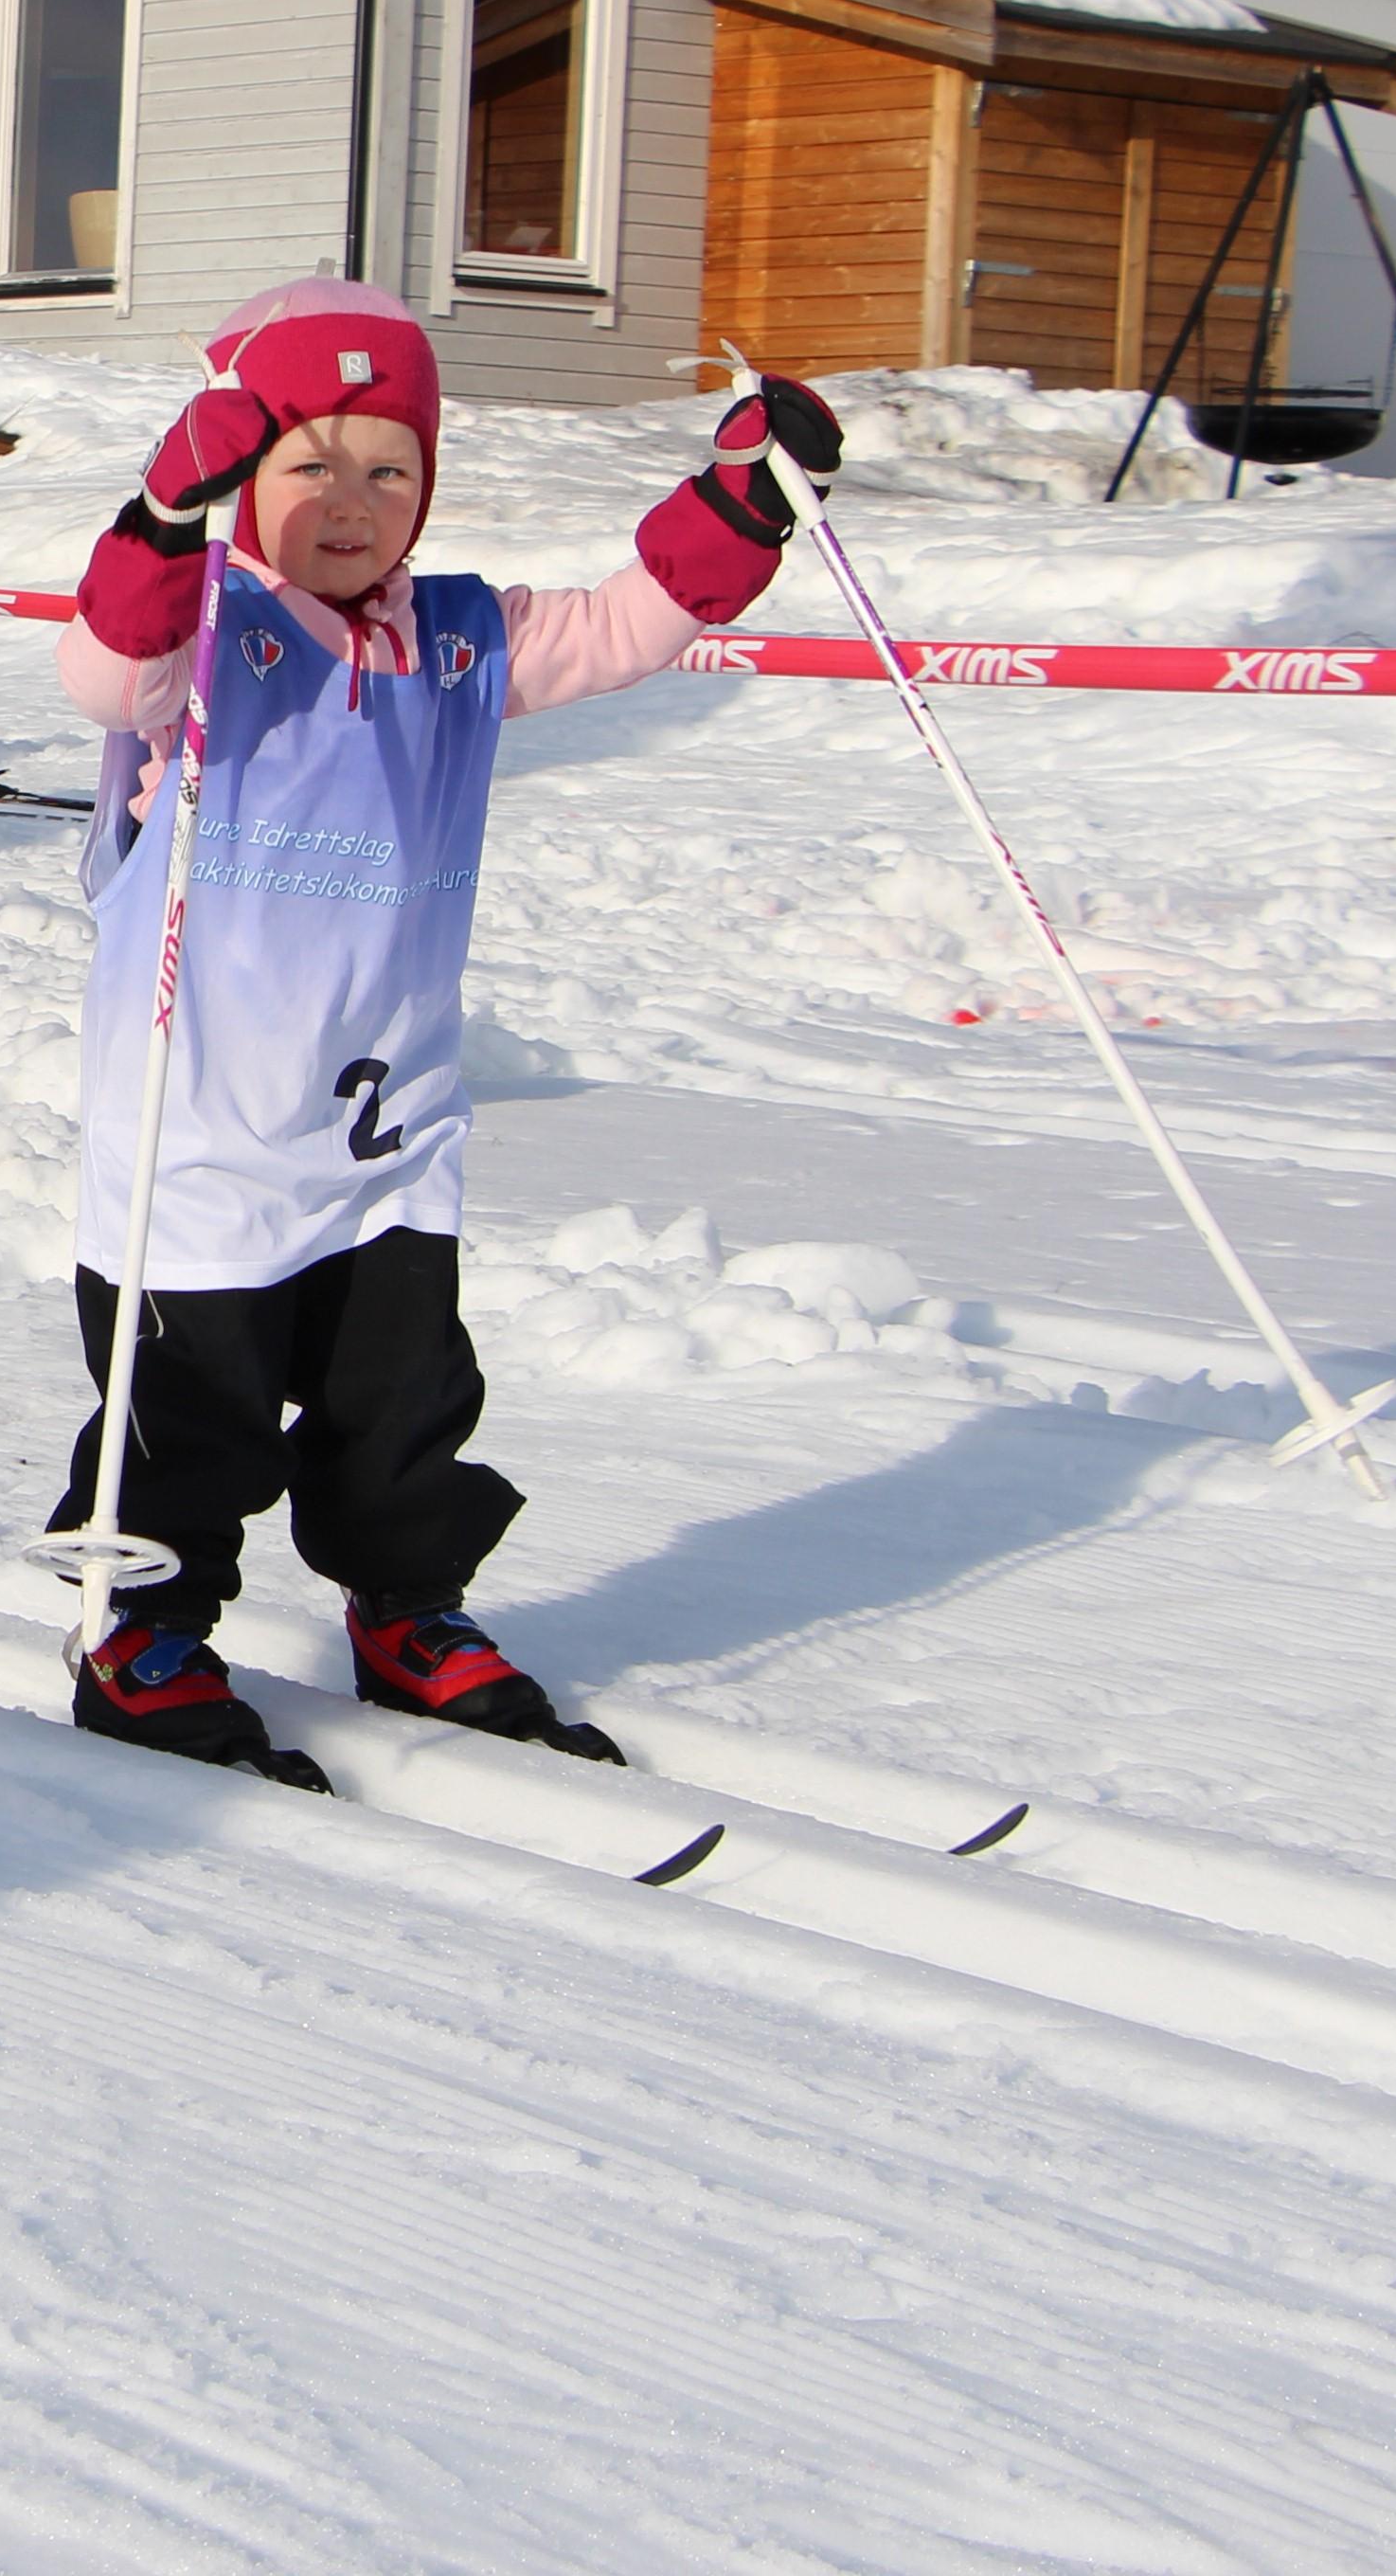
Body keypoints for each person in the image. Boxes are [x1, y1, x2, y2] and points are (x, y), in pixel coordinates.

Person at [44, 279, 842, 1792]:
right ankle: (137, 1626)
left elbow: (626, 625)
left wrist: (741, 500)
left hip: (386, 1119)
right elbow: (104, 666)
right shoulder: (206, 635)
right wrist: (158, 518)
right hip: (204, 1133)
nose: (352, 504)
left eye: (390, 469)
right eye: (309, 465)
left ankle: (405, 1604)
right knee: (188, 1408)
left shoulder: (466, 636)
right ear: (238, 480)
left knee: (399, 1395)